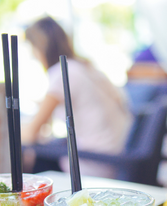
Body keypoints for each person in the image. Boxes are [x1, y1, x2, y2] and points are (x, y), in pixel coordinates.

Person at [22, 16, 132, 177]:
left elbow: (32, 133)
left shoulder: (63, 73)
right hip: (117, 157)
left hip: (93, 164)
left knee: (34, 157)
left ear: (40, 48)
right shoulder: (84, 67)